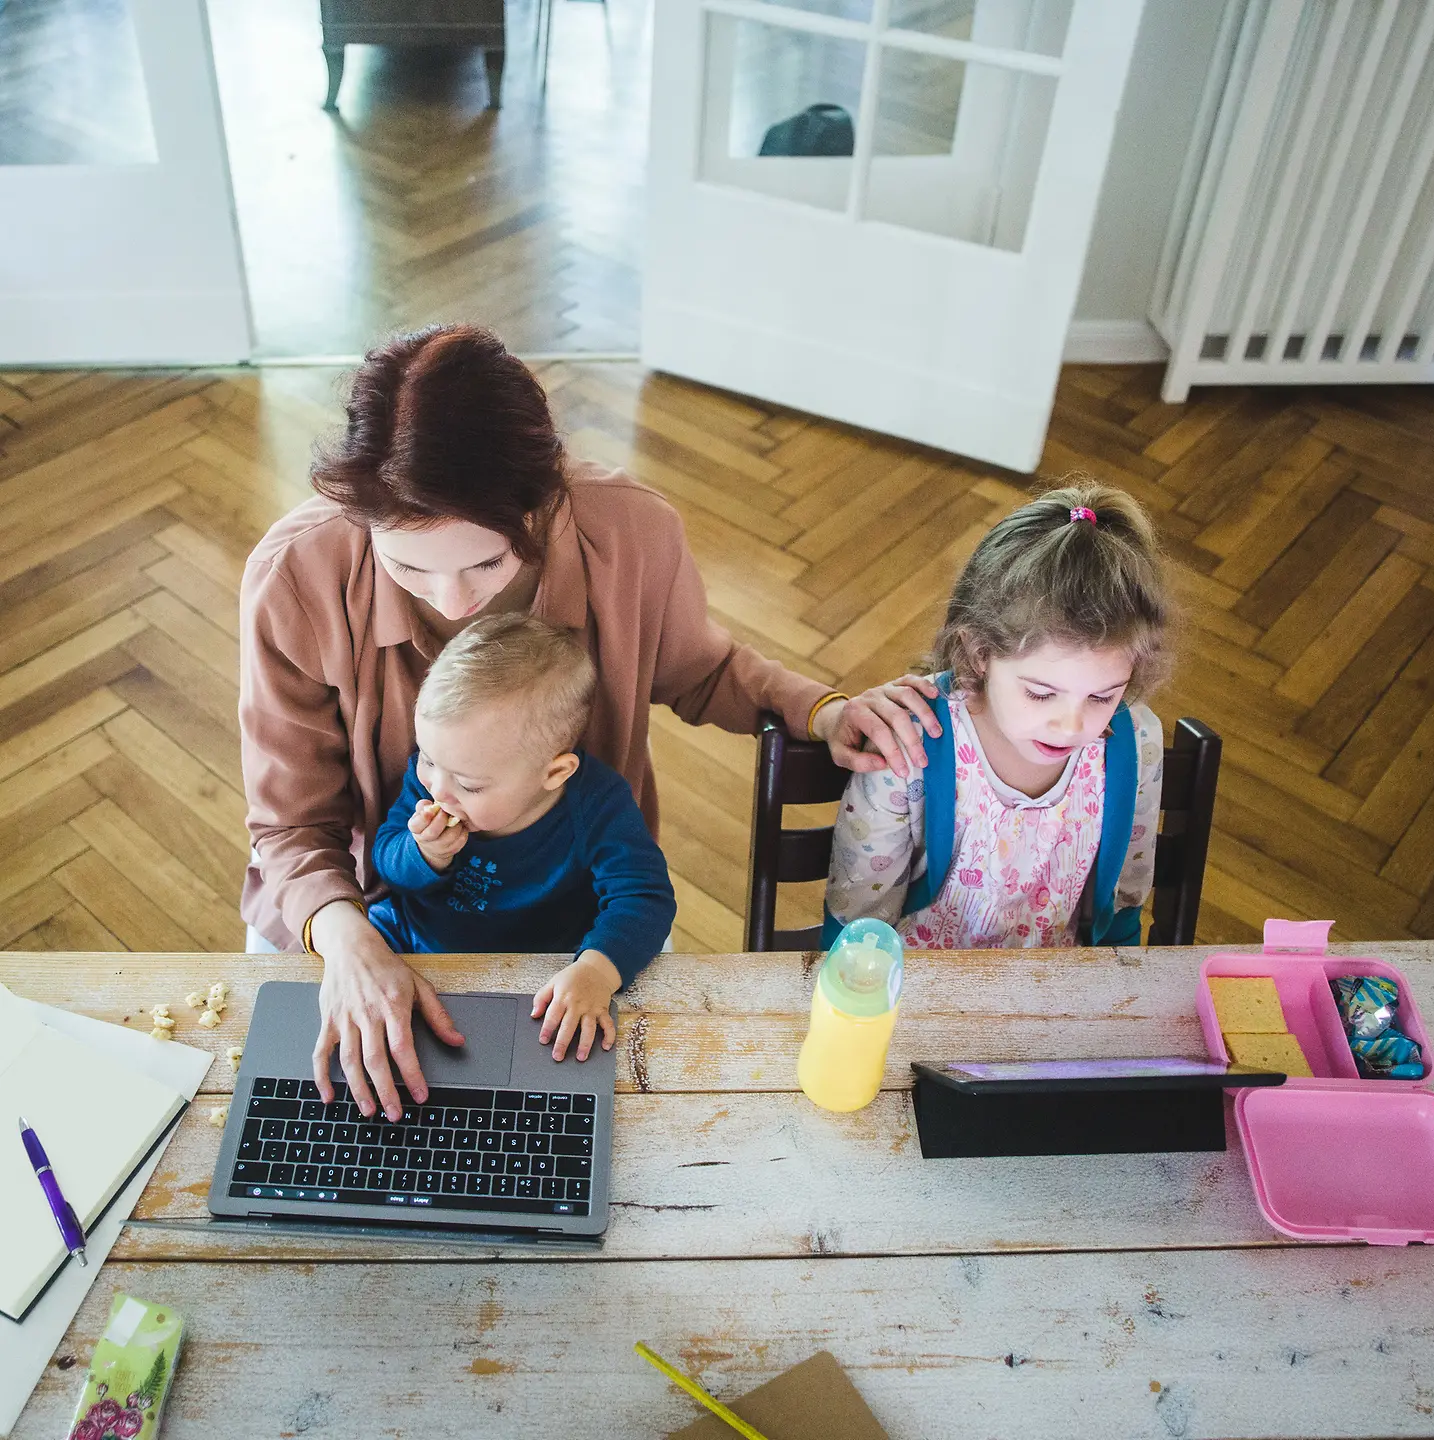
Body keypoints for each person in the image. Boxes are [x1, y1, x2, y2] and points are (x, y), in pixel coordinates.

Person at [239, 323, 935, 1122]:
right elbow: (291, 826)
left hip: (578, 916)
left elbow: (700, 669)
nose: (453, 602)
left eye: (487, 564)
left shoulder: (631, 533)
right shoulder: (296, 577)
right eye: (406, 567)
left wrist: (821, 707)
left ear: (546, 503)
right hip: (366, 908)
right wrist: (351, 942)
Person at [824, 481, 1172, 950]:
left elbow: (1121, 913)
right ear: (979, 652)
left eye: (1102, 697)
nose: (1072, 727)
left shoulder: (1136, 745)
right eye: (1041, 694)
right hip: (917, 996)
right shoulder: (906, 745)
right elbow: (855, 928)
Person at [370, 614, 675, 1068]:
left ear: (554, 773)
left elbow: (645, 898)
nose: (439, 790)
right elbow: (385, 860)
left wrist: (595, 970)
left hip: (545, 973)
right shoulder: (434, 782)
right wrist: (422, 853)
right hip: (417, 947)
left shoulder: (597, 804)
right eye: (428, 760)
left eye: (471, 786)